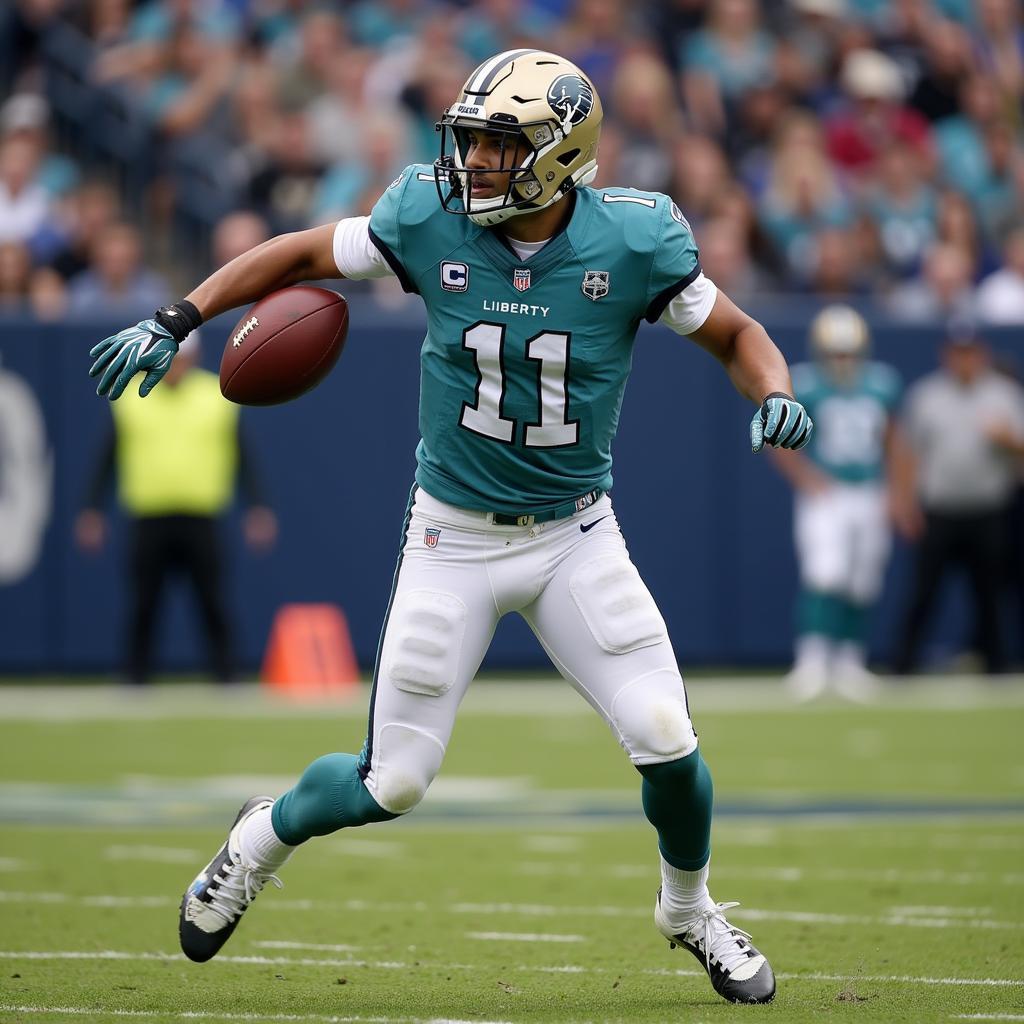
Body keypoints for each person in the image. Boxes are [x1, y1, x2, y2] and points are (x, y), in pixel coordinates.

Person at [87, 50, 812, 1005]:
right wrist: (178, 317)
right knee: (394, 782)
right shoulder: (428, 216)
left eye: (497, 145)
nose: (472, 163)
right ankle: (258, 838)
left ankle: (690, 910)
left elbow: (736, 333)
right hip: (454, 536)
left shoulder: (635, 240)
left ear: (562, 156)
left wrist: (776, 391)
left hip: (574, 535)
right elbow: (300, 254)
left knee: (668, 736)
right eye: (469, 141)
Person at [77, 332, 277, 684]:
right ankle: (135, 677)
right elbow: (107, 456)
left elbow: (244, 454)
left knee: (213, 602)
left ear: (194, 357)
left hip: (202, 514)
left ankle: (227, 676)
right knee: (143, 604)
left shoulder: (217, 393)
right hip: (148, 513)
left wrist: (257, 505)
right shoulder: (131, 396)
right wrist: (93, 508)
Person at [770, 305, 910, 701]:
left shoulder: (881, 383)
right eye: (835, 352)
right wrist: (807, 478)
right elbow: (778, 437)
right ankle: (812, 661)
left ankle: (849, 661)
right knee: (825, 574)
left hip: (870, 490)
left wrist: (898, 493)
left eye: (847, 352)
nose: (841, 361)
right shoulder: (807, 383)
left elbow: (895, 441)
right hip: (829, 494)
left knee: (863, 581)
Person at [893, 329, 1024, 675]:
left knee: (990, 594)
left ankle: (995, 663)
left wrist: (1007, 438)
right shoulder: (927, 395)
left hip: (989, 509)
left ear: (982, 354)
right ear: (946, 355)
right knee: (923, 593)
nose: (964, 360)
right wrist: (905, 505)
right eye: (957, 352)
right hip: (940, 509)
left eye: (970, 352)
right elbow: (908, 454)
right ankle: (904, 664)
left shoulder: (1005, 394)